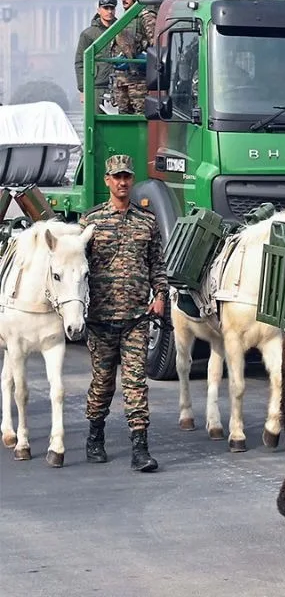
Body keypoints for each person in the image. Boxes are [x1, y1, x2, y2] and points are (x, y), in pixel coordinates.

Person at [79, 155, 166, 472]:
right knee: (103, 383)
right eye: (116, 177)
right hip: (101, 319)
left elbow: (157, 263)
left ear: (132, 179)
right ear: (107, 180)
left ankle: (140, 449)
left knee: (136, 383)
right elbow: (76, 268)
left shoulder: (147, 221)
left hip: (136, 318)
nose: (122, 182)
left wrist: (161, 295)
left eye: (127, 176)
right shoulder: (90, 222)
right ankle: (95, 437)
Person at [112, 0, 148, 114]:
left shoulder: (145, 17)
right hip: (122, 78)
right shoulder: (123, 18)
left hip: (138, 80)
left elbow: (155, 43)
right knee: (123, 115)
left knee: (140, 116)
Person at [75, 0, 117, 106]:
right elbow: (80, 62)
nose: (109, 11)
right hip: (96, 85)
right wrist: (82, 89)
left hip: (118, 84)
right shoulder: (88, 34)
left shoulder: (121, 30)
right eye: (106, 8)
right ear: (99, 10)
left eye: (112, 8)